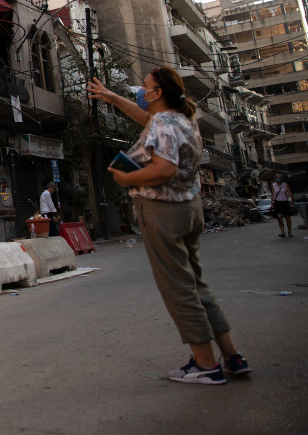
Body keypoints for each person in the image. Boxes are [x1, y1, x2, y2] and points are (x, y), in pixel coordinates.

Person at [87, 67, 250, 385]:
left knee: (178, 287)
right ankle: (232, 356)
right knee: (196, 284)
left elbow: (164, 169)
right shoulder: (181, 119)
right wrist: (110, 96)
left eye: (145, 87)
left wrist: (126, 177)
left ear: (157, 93)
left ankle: (205, 365)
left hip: (163, 209)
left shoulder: (163, 122)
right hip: (189, 207)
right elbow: (141, 116)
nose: (142, 92)